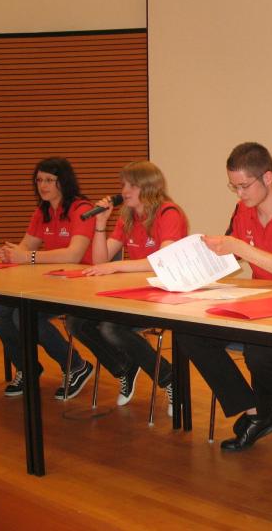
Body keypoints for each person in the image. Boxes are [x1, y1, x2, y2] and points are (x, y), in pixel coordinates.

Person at [175, 142, 272, 452]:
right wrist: (190, 265)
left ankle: (261, 408)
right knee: (189, 334)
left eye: (244, 186)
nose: (239, 194)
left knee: (258, 350)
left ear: (268, 178)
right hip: (261, 305)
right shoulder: (243, 211)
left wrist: (240, 247)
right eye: (233, 186)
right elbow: (228, 258)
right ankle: (255, 409)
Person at [72, 161, 188, 415]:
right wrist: (100, 224)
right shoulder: (127, 216)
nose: (124, 190)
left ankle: (170, 379)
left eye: (131, 185)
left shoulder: (169, 213)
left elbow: (163, 261)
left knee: (111, 328)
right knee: (76, 322)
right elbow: (100, 262)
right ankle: (124, 367)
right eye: (123, 184)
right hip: (132, 295)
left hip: (163, 295)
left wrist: (117, 267)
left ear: (148, 187)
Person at [0, 157, 95, 399]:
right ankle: (27, 367)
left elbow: (74, 255)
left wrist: (28, 256)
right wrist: (11, 253)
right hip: (49, 283)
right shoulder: (42, 211)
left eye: (49, 180)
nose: (43, 185)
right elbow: (26, 247)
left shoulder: (82, 209)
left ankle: (75, 366)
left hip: (80, 284)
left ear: (63, 182)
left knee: (24, 316)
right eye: (39, 180)